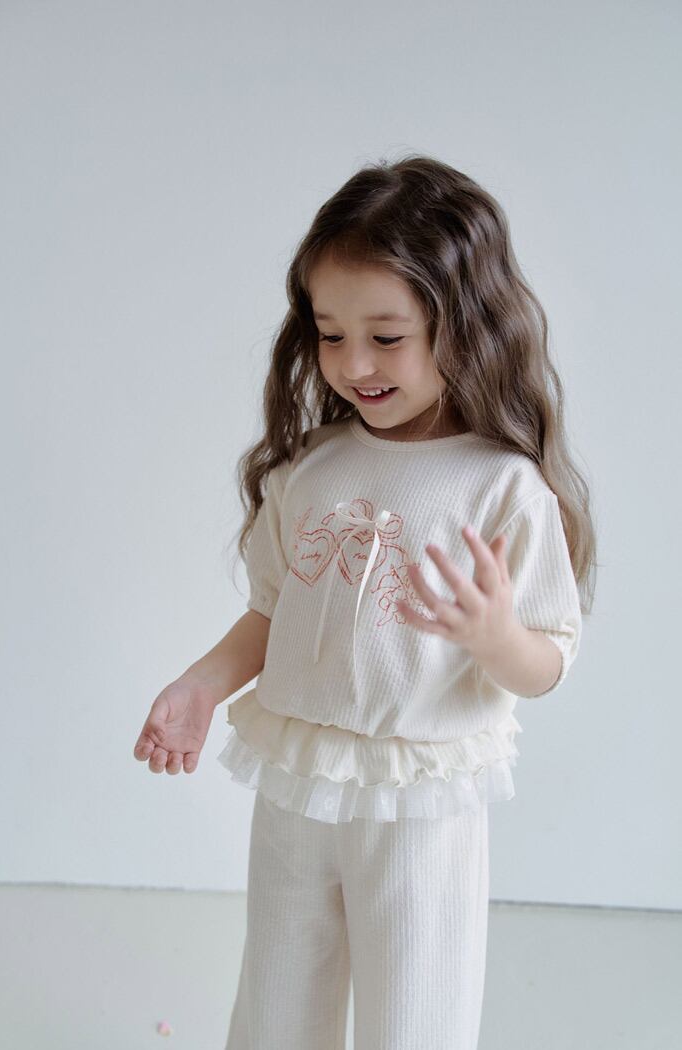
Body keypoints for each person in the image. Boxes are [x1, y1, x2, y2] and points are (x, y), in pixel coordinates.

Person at [133, 153, 597, 1050]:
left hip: (421, 795)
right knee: (279, 987)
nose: (353, 363)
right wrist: (201, 686)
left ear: (465, 324)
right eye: (330, 332)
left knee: (417, 1003)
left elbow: (547, 659)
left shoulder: (502, 488)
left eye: (387, 337)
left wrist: (495, 636)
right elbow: (274, 611)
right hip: (299, 776)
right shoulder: (315, 467)